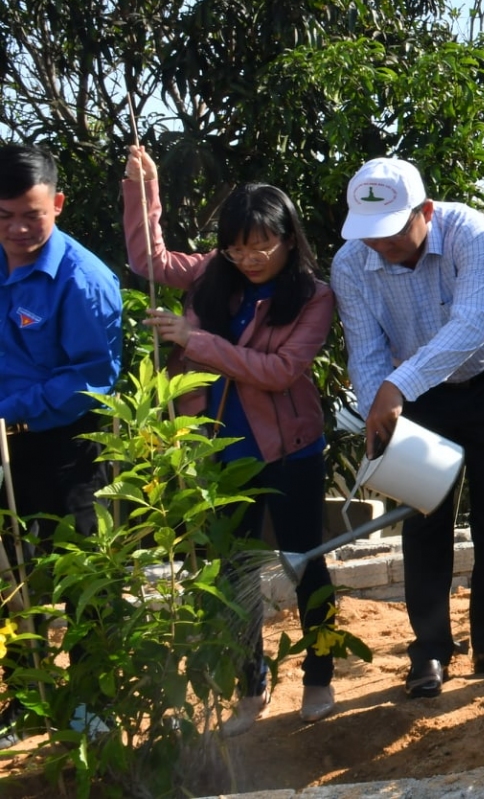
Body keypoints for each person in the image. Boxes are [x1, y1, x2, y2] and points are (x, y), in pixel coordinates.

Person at [122, 145, 337, 730]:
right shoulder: (212, 274)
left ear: (289, 239)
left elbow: (279, 371)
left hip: (290, 452)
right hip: (217, 454)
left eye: (260, 244)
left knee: (304, 562)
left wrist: (194, 341)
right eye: (236, 245)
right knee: (229, 571)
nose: (247, 258)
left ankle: (319, 678)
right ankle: (251, 686)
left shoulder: (313, 296)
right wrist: (144, 191)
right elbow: (150, 261)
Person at [332, 157, 484, 698]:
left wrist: (395, 387)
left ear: (425, 211)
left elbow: (470, 326)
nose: (381, 244)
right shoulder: (350, 264)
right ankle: (430, 651)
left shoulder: (470, 230)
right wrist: (380, 405)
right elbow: (366, 350)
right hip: (417, 397)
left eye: (393, 230)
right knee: (424, 520)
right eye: (370, 234)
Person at [0, 143, 122, 737]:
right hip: (8, 448)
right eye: (4, 216)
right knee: (17, 574)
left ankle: (92, 701)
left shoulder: (84, 280)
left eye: (32, 214)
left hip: (74, 445)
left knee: (84, 571)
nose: (19, 229)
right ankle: (27, 698)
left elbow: (90, 380)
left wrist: (9, 407)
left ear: (59, 205)